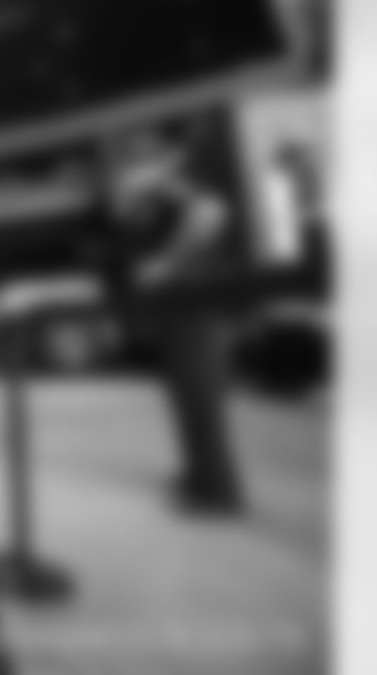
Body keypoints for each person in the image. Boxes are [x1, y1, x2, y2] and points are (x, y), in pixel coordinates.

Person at [107, 125, 245, 515]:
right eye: (131, 149)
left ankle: (217, 493)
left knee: (200, 397)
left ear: (169, 151)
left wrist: (167, 263)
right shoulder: (152, 185)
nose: (135, 155)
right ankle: (199, 478)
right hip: (176, 303)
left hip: (194, 301)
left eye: (143, 147)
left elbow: (211, 213)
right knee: (187, 397)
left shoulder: (174, 180)